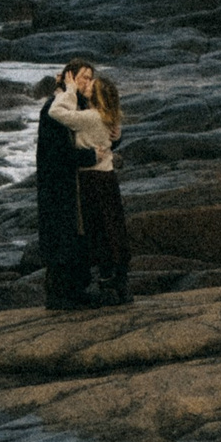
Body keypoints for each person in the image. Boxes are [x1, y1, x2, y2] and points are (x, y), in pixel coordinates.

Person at [35, 59, 103, 309]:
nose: (88, 82)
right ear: (69, 78)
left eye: (90, 77)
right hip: (58, 183)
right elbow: (58, 152)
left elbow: (97, 132)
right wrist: (90, 156)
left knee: (77, 234)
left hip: (73, 180)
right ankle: (61, 294)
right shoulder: (55, 107)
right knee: (63, 234)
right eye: (83, 77)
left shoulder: (80, 105)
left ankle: (77, 289)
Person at [73, 72, 130, 305]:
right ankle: (118, 280)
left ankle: (107, 280)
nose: (87, 84)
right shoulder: (108, 115)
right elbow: (112, 139)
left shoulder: (88, 116)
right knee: (112, 226)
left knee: (98, 228)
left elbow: (58, 115)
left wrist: (64, 91)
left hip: (91, 178)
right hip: (107, 177)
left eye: (90, 83)